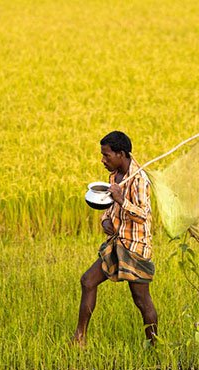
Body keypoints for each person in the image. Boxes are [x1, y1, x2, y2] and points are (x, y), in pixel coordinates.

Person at [72, 131, 157, 347]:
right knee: (87, 281)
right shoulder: (115, 175)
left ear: (121, 154)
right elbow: (108, 208)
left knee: (141, 300)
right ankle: (79, 340)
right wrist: (104, 221)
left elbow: (144, 217)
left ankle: (154, 346)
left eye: (106, 156)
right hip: (116, 243)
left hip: (135, 246)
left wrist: (121, 200)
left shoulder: (139, 179)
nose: (102, 160)